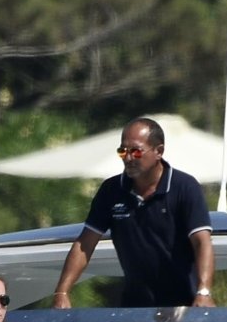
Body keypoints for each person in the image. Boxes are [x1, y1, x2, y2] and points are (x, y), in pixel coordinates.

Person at [50, 116, 215, 309]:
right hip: (135, 310)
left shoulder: (184, 187)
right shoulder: (111, 191)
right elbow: (84, 244)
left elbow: (202, 242)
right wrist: (62, 292)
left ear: (159, 151)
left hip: (184, 308)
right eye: (122, 151)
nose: (128, 158)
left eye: (136, 151)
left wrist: (204, 292)